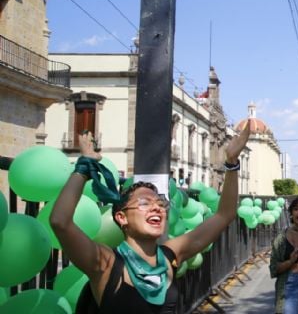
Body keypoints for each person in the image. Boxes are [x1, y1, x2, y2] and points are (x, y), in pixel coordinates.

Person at [50, 125, 250, 313]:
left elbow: (225, 215)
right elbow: (60, 221)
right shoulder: (106, 263)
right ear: (122, 217)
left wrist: (232, 162)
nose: (156, 207)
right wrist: (84, 166)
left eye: (160, 204)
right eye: (145, 203)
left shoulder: (170, 255)